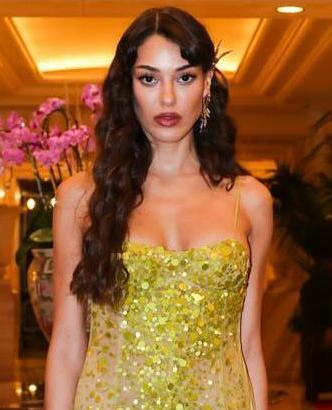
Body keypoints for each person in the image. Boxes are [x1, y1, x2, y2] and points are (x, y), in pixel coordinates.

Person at [45, 7, 272, 409]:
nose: (167, 97)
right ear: (128, 86)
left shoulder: (250, 200)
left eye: (184, 77)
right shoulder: (81, 198)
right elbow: (66, 346)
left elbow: (249, 344)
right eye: (149, 78)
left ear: (206, 83)